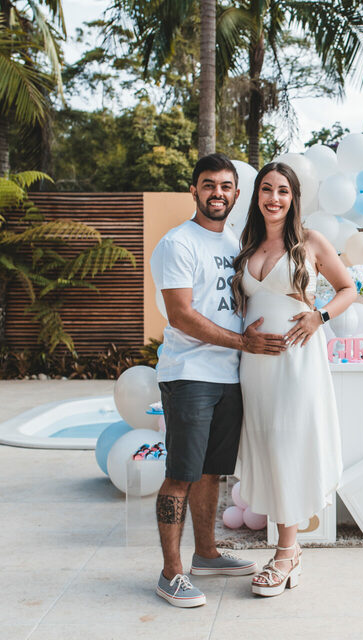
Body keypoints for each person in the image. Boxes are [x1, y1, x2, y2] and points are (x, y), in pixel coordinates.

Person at [149, 153, 289, 608]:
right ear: (194, 190)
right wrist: (243, 344)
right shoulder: (178, 243)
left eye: (226, 186)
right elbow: (181, 314)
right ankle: (171, 573)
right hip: (190, 374)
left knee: (212, 473)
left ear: (235, 193)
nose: (218, 193)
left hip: (230, 376)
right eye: (208, 185)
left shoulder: (234, 243)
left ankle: (206, 554)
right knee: (180, 475)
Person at [230, 162, 356, 597]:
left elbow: (348, 289)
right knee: (266, 444)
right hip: (256, 367)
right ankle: (289, 549)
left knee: (289, 443)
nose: (274, 198)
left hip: (298, 361)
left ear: (294, 197)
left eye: (283, 191)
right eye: (267, 190)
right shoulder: (246, 246)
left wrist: (319, 316)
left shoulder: (310, 242)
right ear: (257, 196)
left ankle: (287, 551)